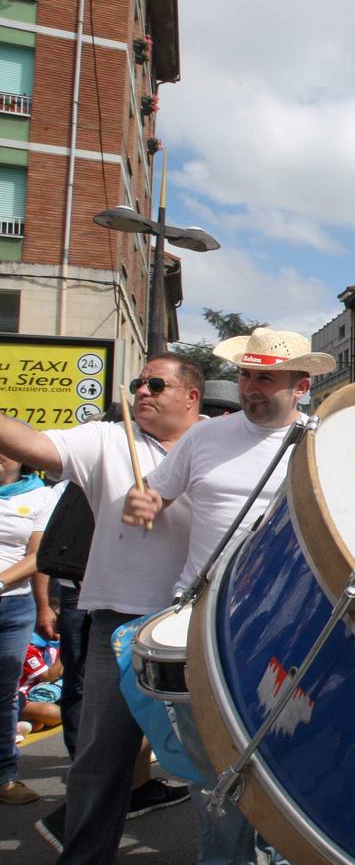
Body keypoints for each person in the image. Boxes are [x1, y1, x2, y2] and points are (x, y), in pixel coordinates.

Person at [122, 328, 334, 865]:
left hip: (286, 629)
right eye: (245, 374)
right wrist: (142, 501)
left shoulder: (325, 444)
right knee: (212, 778)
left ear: (301, 385)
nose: (249, 387)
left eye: (265, 376)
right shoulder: (204, 437)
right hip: (203, 623)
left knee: (285, 767)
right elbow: (156, 490)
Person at [0, 355, 202, 855]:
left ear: (191, 396)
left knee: (215, 757)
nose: (142, 392)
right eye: (139, 383)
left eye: (157, 384)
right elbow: (33, 443)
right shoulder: (109, 439)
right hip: (119, 620)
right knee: (100, 756)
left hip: (199, 623)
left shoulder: (219, 444)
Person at [0, 456, 57, 804]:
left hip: (14, 606)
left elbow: (37, 556)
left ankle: (6, 777)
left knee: (5, 694)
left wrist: (42, 606)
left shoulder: (41, 496)